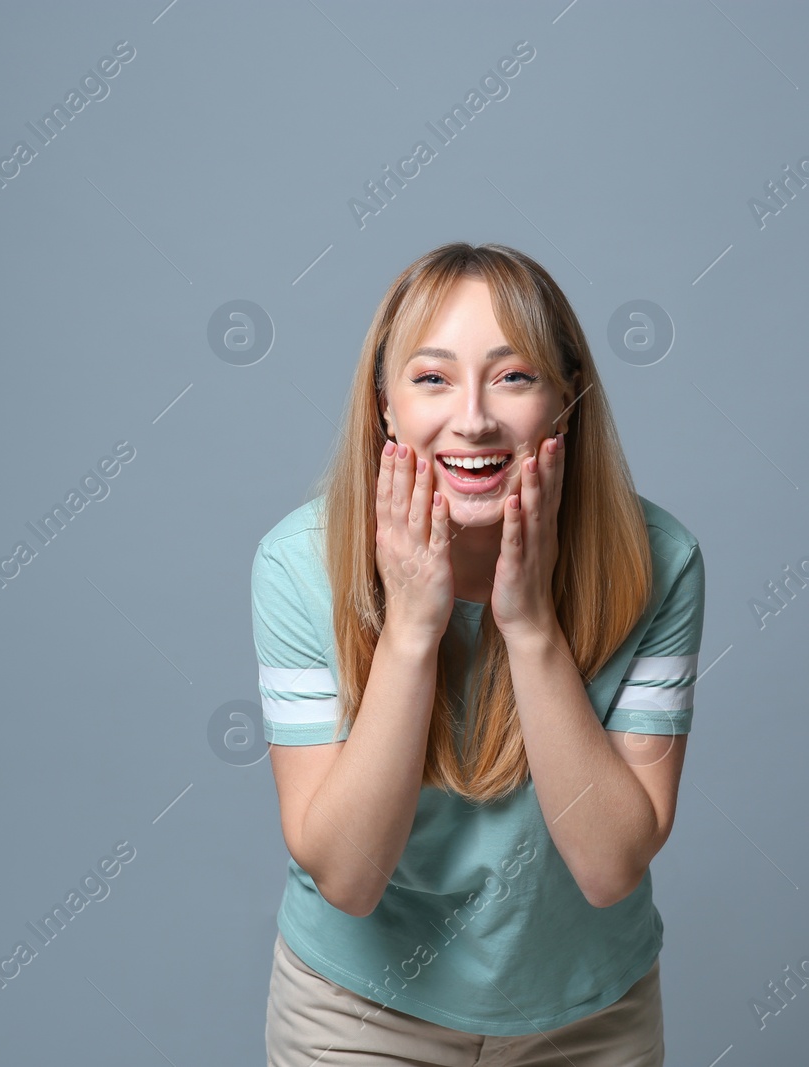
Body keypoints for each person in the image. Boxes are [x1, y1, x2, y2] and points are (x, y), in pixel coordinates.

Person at [253, 242, 705, 1066]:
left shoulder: (660, 562)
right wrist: (413, 627)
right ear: (385, 406)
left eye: (514, 375)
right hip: (358, 1015)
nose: (473, 418)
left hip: (587, 1016)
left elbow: (609, 868)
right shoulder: (296, 567)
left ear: (566, 398)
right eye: (431, 378)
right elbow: (348, 879)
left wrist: (530, 627)